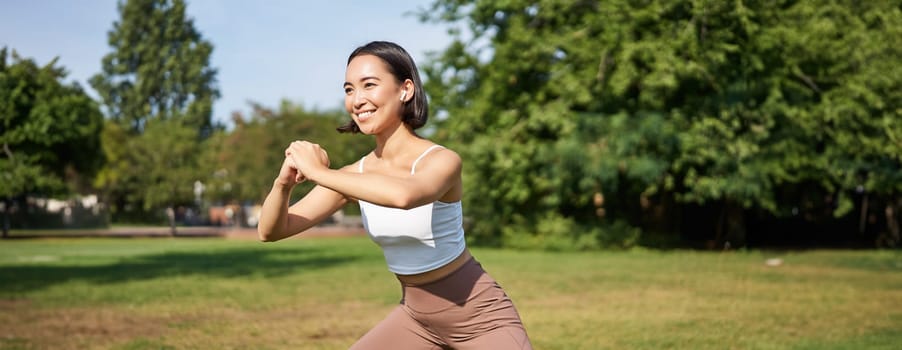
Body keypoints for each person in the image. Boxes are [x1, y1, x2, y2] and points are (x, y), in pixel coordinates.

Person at [257, 41, 533, 349]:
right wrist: (283, 185)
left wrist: (320, 173)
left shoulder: (441, 160)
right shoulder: (353, 177)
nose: (357, 100)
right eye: (349, 90)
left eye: (369, 85)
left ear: (406, 89)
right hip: (416, 320)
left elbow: (405, 196)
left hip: (482, 319)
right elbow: (272, 230)